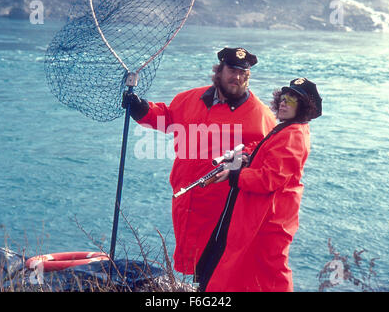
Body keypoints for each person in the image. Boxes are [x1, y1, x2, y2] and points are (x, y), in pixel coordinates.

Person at [123, 47, 276, 275]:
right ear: (219, 70)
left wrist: (243, 159)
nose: (237, 77)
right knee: (192, 262)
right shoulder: (189, 99)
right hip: (186, 196)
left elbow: (265, 153)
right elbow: (167, 117)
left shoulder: (260, 114)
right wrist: (141, 109)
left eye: (243, 73)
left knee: (218, 264)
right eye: (232, 70)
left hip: (223, 203)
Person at [195, 77, 322, 291]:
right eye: (284, 97)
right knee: (256, 269)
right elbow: (268, 157)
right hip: (268, 215)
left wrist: (235, 176)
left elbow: (269, 178)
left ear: (304, 107)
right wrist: (247, 158)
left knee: (271, 271)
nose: (284, 102)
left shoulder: (293, 136)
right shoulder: (288, 130)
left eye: (292, 99)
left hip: (271, 219)